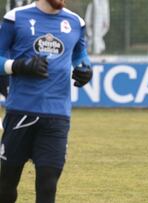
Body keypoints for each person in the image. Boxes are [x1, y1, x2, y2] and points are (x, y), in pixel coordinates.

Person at [0, 0, 93, 202]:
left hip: (57, 115)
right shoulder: (15, 18)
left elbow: (80, 55)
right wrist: (19, 66)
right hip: (20, 112)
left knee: (47, 185)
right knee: (6, 185)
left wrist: (85, 70)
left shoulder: (76, 22)